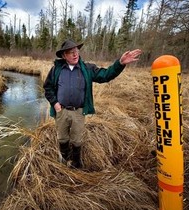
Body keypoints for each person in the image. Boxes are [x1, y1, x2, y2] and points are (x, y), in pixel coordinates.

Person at [43, 39, 142, 169]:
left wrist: (120, 63)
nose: (75, 54)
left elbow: (105, 75)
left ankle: (76, 163)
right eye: (70, 52)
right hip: (61, 111)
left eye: (76, 51)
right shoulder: (56, 69)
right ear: (64, 56)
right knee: (62, 138)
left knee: (77, 140)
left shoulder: (87, 68)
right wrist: (55, 103)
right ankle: (64, 160)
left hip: (78, 112)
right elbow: (48, 88)